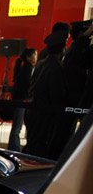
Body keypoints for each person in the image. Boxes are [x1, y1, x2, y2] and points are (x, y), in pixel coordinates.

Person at [24, 29, 69, 159]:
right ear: (62, 48)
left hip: (34, 110)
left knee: (32, 143)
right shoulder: (56, 67)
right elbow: (56, 93)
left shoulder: (40, 64)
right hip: (46, 113)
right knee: (40, 148)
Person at [7, 48, 37, 151]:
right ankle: (14, 148)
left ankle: (13, 146)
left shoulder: (23, 67)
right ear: (29, 57)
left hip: (19, 99)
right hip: (23, 100)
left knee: (17, 126)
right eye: (34, 54)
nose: (36, 57)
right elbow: (28, 86)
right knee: (18, 127)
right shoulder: (28, 69)